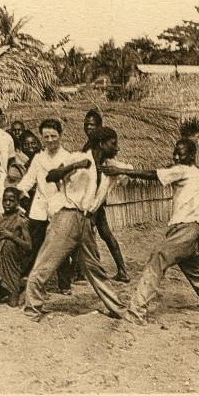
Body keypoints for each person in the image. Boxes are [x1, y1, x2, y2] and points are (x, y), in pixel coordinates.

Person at [102, 138, 199, 324]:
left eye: (180, 154)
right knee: (196, 273)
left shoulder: (183, 170)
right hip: (193, 230)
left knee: (157, 259)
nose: (176, 157)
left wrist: (122, 170)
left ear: (191, 155)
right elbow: (165, 172)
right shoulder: (197, 173)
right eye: (174, 153)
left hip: (185, 229)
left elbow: (152, 175)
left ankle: (136, 312)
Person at [24, 126, 134, 323]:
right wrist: (74, 167)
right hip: (67, 217)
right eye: (113, 143)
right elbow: (51, 176)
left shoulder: (109, 166)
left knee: (95, 268)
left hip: (86, 221)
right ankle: (32, 308)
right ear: (101, 143)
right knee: (46, 264)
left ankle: (117, 309)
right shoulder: (77, 157)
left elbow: (129, 175)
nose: (117, 148)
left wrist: (119, 170)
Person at [15, 119, 73, 293]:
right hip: (39, 207)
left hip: (60, 205)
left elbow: (71, 184)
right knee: (36, 244)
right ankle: (35, 282)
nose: (50, 140)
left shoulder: (68, 157)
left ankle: (64, 284)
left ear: (60, 135)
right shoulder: (39, 158)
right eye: (46, 136)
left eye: (53, 136)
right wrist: (18, 191)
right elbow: (29, 179)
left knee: (60, 245)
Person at [81, 116, 131, 283]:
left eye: (92, 125)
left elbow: (125, 171)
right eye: (86, 125)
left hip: (94, 205)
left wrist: (114, 170)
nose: (89, 128)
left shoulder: (106, 161)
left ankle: (119, 271)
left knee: (102, 236)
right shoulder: (85, 155)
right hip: (86, 205)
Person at [0, 187, 31, 306]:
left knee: (13, 304)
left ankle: (21, 288)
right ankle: (1, 288)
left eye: (11, 200)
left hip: (12, 264)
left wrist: (11, 236)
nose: (8, 203)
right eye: (5, 200)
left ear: (17, 203)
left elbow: (28, 246)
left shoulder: (21, 220)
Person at [6, 120, 29, 185]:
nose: (17, 132)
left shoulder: (29, 145)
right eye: (14, 130)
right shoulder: (10, 148)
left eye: (19, 130)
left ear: (24, 131)